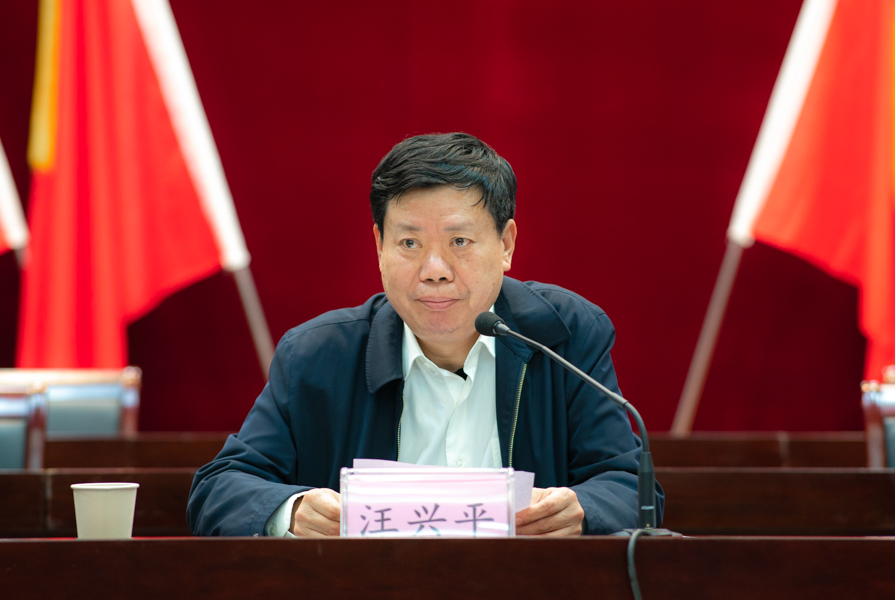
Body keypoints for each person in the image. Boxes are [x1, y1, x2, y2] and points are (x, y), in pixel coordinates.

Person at [187, 132, 663, 537]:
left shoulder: (563, 336)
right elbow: (219, 488)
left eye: (459, 241)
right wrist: (290, 511)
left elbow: (628, 487)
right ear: (379, 247)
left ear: (506, 245)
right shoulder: (318, 355)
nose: (434, 270)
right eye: (410, 243)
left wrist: (581, 511)